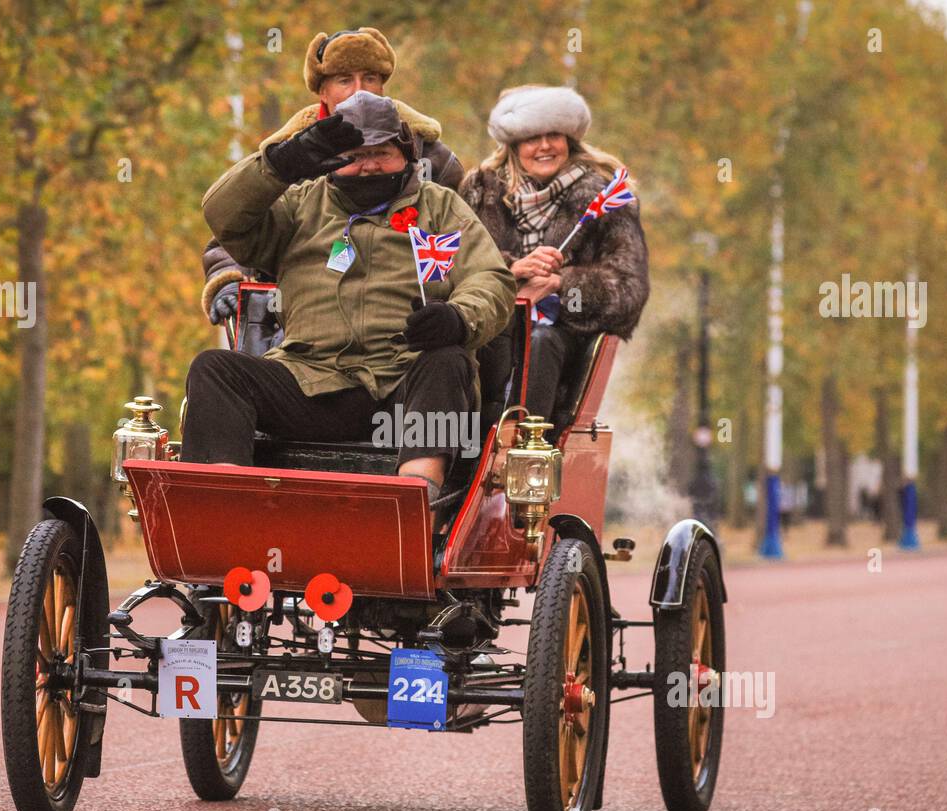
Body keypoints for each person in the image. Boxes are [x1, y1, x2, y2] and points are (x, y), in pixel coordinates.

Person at [185, 92, 515, 507]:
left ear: (408, 153)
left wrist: (457, 318)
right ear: (330, 160)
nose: (369, 165)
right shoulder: (299, 205)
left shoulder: (442, 207)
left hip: (403, 391)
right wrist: (276, 166)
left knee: (448, 359)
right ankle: (227, 506)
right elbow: (223, 217)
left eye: (381, 152)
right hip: (310, 382)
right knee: (214, 369)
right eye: (354, 155)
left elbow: (492, 280)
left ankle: (415, 505)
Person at [201, 27, 465, 332]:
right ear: (322, 91)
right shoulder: (288, 154)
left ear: (383, 85)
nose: (359, 90)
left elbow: (465, 232)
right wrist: (229, 280)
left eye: (370, 78)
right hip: (301, 313)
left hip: (405, 308)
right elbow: (233, 228)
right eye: (344, 80)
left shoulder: (427, 153)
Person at [460, 85, 648, 423]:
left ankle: (522, 444)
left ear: (569, 140)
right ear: (514, 145)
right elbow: (457, 262)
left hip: (564, 335)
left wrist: (562, 284)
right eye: (533, 137)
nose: (544, 146)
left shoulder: (604, 196)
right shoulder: (479, 190)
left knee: (541, 341)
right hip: (491, 322)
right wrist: (511, 270)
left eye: (554, 135)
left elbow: (629, 290)